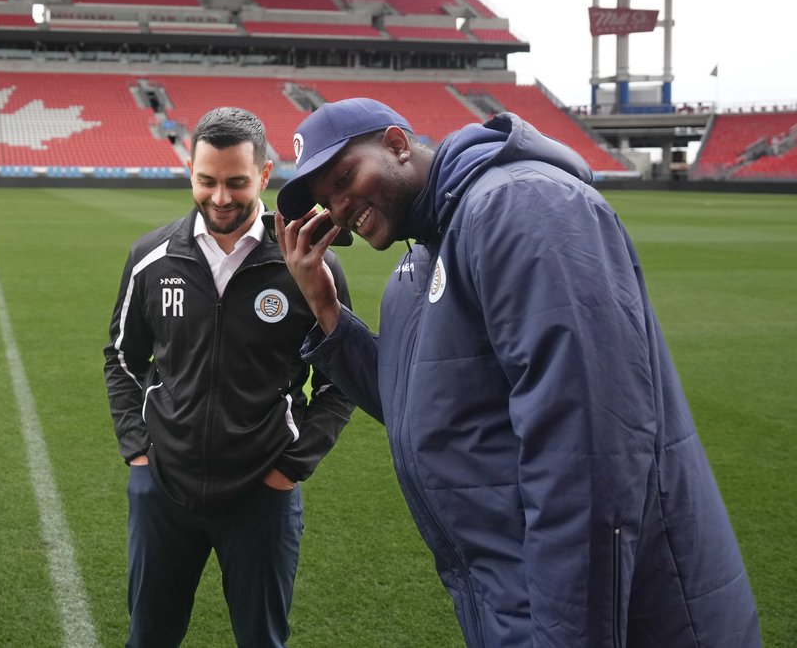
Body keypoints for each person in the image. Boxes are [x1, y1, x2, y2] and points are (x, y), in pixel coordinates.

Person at [273, 98, 762, 648]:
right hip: (514, 606)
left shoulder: (518, 204)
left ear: (396, 143)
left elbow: (589, 460)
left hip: (623, 618)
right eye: (324, 200)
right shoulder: (416, 271)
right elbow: (418, 408)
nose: (338, 208)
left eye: (344, 177)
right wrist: (329, 313)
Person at [104, 106, 356, 648]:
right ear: (190, 172)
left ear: (264, 175)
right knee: (149, 637)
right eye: (207, 181)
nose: (221, 198)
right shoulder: (151, 258)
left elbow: (340, 381)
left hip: (262, 495)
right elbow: (123, 358)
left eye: (237, 182)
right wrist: (139, 453)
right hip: (164, 491)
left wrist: (290, 468)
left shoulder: (311, 264)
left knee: (262, 641)